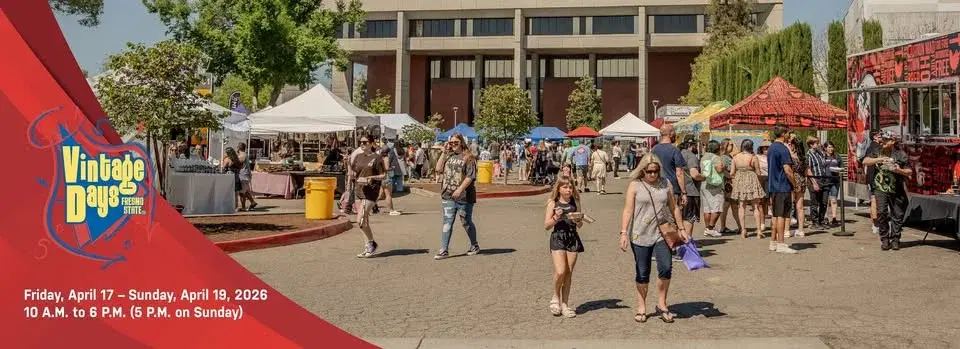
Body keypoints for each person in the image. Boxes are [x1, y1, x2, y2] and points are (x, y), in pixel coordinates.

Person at [619, 154, 689, 324]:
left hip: (662, 233)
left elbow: (674, 208)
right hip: (639, 234)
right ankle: (641, 306)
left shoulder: (666, 184)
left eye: (655, 171)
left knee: (666, 267)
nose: (652, 175)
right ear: (642, 170)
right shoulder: (635, 185)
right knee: (643, 272)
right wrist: (623, 232)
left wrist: (681, 229)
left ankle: (662, 304)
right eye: (649, 171)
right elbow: (628, 210)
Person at [434, 133, 481, 260]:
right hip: (447, 195)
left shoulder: (469, 157)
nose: (453, 145)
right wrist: (443, 153)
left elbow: (470, 176)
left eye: (456, 142)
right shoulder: (448, 155)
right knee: (447, 222)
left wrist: (460, 189)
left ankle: (474, 245)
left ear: (462, 143)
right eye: (451, 142)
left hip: (464, 197)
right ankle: (444, 250)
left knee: (466, 221)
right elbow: (438, 169)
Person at [862, 131, 911, 250]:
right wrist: (879, 159)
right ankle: (884, 239)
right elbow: (865, 161)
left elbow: (909, 171)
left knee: (897, 215)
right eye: (882, 139)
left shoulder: (900, 154)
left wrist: (898, 170)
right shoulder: (877, 151)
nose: (883, 141)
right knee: (881, 213)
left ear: (893, 141)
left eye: (886, 140)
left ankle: (895, 239)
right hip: (880, 188)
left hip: (897, 189)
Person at [544, 175, 584, 318]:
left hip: (572, 237)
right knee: (560, 271)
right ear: (559, 189)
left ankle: (565, 304)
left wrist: (578, 220)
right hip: (558, 237)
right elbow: (546, 226)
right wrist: (556, 217)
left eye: (570, 187)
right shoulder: (553, 203)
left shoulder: (575, 201)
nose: (569, 190)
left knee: (568, 272)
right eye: (565, 187)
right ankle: (555, 297)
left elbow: (580, 224)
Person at [352, 135, 387, 258]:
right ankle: (368, 246)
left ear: (371, 143)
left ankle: (372, 242)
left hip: (371, 191)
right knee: (363, 222)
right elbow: (354, 172)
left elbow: (383, 175)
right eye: (360, 142)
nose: (362, 144)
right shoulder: (358, 157)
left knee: (360, 220)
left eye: (365, 142)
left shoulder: (377, 158)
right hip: (359, 190)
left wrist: (370, 178)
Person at [767, 124, 800, 254]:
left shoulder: (771, 148)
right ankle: (781, 243)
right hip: (782, 186)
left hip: (773, 186)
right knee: (781, 215)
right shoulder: (783, 149)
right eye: (788, 133)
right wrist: (795, 184)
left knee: (775, 215)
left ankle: (773, 242)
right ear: (784, 134)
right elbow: (787, 169)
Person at [730, 139, 766, 238]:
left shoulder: (735, 157)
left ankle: (743, 230)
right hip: (752, 180)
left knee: (741, 206)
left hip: (740, 181)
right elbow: (758, 172)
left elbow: (732, 173)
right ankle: (759, 231)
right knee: (755, 206)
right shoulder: (753, 157)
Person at [651, 124, 688, 207]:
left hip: (656, 188)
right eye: (674, 132)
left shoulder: (653, 150)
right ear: (670, 134)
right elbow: (679, 173)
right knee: (674, 215)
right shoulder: (675, 150)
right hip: (672, 189)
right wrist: (684, 192)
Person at [679, 135, 705, 238]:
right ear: (691, 145)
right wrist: (704, 177)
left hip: (680, 191)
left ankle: (680, 241)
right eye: (695, 144)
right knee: (689, 218)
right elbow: (694, 174)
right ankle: (687, 242)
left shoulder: (679, 154)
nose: (696, 146)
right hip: (691, 191)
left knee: (680, 218)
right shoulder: (691, 156)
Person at [859, 131, 884, 234]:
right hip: (874, 177)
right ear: (875, 137)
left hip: (876, 177)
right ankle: (875, 224)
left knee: (876, 201)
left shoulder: (875, 146)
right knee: (874, 200)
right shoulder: (874, 147)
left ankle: (877, 223)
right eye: (880, 135)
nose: (883, 137)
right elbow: (865, 161)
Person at [699, 141, 724, 237]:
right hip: (714, 186)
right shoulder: (716, 157)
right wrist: (723, 167)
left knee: (707, 209)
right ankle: (711, 228)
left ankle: (708, 229)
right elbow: (719, 169)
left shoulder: (704, 157)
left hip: (704, 184)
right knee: (717, 208)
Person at [805, 136, 829, 231]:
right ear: (811, 144)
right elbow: (808, 169)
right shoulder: (809, 155)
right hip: (814, 179)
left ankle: (821, 220)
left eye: (818, 143)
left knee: (824, 202)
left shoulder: (820, 153)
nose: (818, 144)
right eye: (816, 143)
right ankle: (814, 222)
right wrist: (814, 183)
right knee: (814, 203)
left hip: (823, 179)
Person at [717, 139, 741, 234]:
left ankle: (738, 226)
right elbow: (724, 170)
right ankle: (724, 226)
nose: (733, 146)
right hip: (728, 184)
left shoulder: (728, 156)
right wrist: (731, 177)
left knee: (731, 206)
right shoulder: (724, 158)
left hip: (730, 184)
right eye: (731, 144)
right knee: (728, 206)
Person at [787, 138, 807, 237]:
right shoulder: (803, 157)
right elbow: (806, 171)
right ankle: (801, 230)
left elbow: (788, 170)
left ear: (794, 145)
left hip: (792, 181)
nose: (789, 145)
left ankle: (786, 230)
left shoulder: (790, 156)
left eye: (791, 143)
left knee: (789, 206)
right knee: (800, 207)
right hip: (802, 181)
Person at [378, 141, 402, 216]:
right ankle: (391, 210)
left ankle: (369, 207)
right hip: (387, 177)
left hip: (382, 177)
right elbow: (387, 168)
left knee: (380, 195)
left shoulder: (380, 158)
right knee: (388, 195)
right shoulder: (386, 158)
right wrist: (392, 167)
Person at [220, 147, 246, 212]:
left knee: (228, 193)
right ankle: (236, 206)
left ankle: (228, 206)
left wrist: (222, 160)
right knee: (235, 193)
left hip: (229, 177)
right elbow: (241, 167)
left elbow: (223, 168)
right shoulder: (237, 159)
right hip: (237, 177)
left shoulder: (228, 159)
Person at [822, 141, 842, 226]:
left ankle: (834, 218)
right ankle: (825, 217)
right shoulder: (822, 156)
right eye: (829, 147)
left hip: (835, 180)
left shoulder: (837, 156)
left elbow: (842, 167)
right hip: (825, 181)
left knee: (833, 199)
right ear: (825, 148)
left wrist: (838, 169)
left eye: (832, 147)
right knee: (825, 200)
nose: (831, 149)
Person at [236, 142, 259, 211]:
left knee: (241, 193)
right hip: (246, 175)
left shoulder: (242, 155)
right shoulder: (244, 155)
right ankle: (253, 202)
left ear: (239, 148)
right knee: (245, 191)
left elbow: (238, 163)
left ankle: (243, 207)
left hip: (243, 175)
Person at [757, 140, 772, 222]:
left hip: (771, 178)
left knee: (771, 198)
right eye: (764, 148)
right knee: (762, 200)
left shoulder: (773, 156)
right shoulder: (758, 157)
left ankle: (770, 211)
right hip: (762, 179)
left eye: (768, 148)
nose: (766, 150)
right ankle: (762, 221)